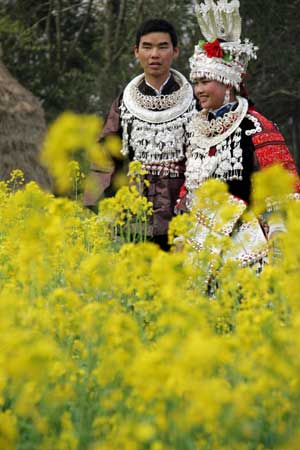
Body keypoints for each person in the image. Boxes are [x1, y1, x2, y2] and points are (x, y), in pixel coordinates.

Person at [176, 0, 299, 268]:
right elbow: (191, 185)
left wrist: (279, 236)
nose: (198, 90)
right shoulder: (197, 129)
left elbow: (282, 185)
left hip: (248, 245)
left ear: (228, 84)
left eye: (205, 81)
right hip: (202, 244)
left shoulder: (255, 126)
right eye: (196, 83)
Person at [83, 19, 196, 251]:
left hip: (183, 213)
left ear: (175, 51)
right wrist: (95, 206)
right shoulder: (124, 103)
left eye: (163, 46)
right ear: (136, 52)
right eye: (147, 47)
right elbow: (105, 155)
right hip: (134, 212)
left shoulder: (195, 101)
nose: (155, 54)